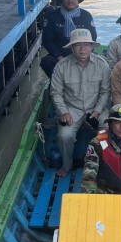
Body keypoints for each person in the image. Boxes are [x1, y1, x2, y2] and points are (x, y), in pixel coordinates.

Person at [50, 29, 111, 177]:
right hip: (71, 109)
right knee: (64, 136)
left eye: (86, 45)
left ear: (92, 47)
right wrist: (64, 112)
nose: (83, 49)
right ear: (72, 47)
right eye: (78, 45)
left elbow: (105, 91)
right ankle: (67, 165)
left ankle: (105, 163)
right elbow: (56, 93)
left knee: (107, 130)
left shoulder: (102, 65)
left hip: (96, 107)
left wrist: (97, 111)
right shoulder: (61, 66)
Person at [40, 0, 96, 78]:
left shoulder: (86, 15)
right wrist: (59, 57)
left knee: (97, 61)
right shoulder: (52, 16)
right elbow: (47, 40)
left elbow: (93, 37)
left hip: (81, 52)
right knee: (46, 62)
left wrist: (82, 55)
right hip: (60, 54)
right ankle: (58, 81)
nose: (70, 0)